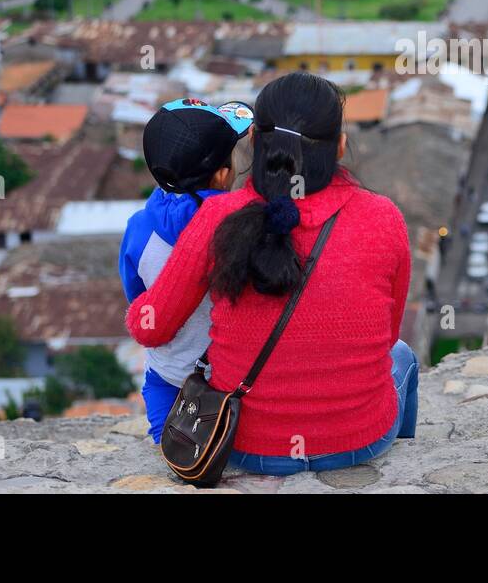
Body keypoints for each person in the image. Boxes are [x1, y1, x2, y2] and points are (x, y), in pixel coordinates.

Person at [125, 73, 417, 474]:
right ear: (341, 147)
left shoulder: (217, 218)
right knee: (403, 356)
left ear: (255, 145)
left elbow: (151, 328)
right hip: (359, 441)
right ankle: (403, 469)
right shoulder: (384, 218)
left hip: (246, 444)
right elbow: (387, 334)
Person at [119, 98, 255, 443]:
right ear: (223, 175)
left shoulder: (139, 229)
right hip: (235, 377)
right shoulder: (242, 228)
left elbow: (137, 295)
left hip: (169, 374)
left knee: (172, 450)